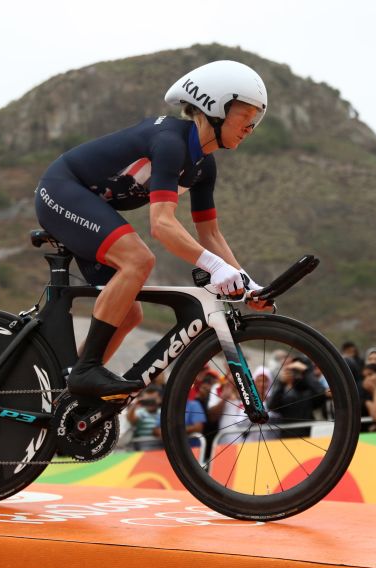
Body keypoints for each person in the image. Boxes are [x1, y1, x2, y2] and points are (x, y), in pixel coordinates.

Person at [34, 60, 271, 401]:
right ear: (215, 107)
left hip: (88, 205)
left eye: (256, 119)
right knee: (138, 259)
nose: (251, 126)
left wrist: (246, 282)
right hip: (60, 190)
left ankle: (66, 390)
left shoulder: (204, 165)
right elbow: (161, 225)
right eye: (246, 114)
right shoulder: (169, 141)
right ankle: (86, 373)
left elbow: (211, 235)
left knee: (129, 313)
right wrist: (215, 267)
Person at [209, 366, 277, 445]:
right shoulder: (218, 389)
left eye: (265, 381)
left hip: (250, 445)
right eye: (232, 373)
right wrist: (224, 398)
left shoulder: (251, 395)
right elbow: (212, 417)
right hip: (224, 443)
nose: (262, 384)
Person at [126, 385, 163, 450]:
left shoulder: (162, 413)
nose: (150, 403)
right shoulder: (141, 412)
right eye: (147, 400)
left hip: (160, 445)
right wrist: (135, 405)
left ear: (160, 399)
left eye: (153, 400)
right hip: (142, 446)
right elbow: (130, 419)